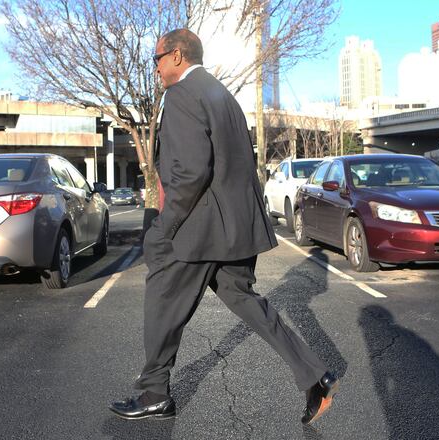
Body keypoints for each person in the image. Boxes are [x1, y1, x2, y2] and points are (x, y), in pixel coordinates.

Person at [109, 29, 338, 425]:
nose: (157, 67)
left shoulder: (181, 95)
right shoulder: (223, 96)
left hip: (198, 229)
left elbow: (190, 172)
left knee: (162, 300)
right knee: (247, 302)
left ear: (177, 56)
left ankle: (153, 394)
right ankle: (315, 376)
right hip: (232, 229)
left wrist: (165, 227)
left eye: (157, 59)